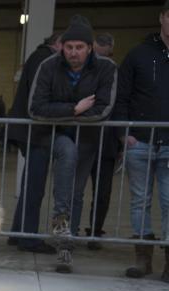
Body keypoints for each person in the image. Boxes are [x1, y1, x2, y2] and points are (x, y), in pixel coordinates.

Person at [29, 14, 117, 273]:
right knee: (67, 151)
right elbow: (35, 108)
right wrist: (75, 109)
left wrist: (66, 113)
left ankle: (66, 243)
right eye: (69, 47)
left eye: (80, 47)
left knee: (76, 191)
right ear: (62, 46)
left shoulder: (107, 68)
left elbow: (103, 109)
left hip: (87, 139)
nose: (74, 52)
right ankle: (62, 224)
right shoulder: (48, 66)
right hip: (52, 136)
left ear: (90, 48)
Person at [113, 1, 169, 282]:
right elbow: (121, 97)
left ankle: (168, 263)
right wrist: (125, 133)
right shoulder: (138, 55)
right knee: (140, 202)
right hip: (141, 144)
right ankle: (142, 259)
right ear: (161, 17)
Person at [6, 32, 62, 254]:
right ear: (57, 44)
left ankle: (18, 232)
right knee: (34, 187)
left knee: (31, 185)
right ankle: (28, 238)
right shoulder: (46, 60)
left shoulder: (37, 56)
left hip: (27, 130)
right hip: (36, 131)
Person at [84, 32, 119, 250]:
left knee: (100, 191)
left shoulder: (114, 73)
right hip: (92, 140)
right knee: (94, 191)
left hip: (102, 141)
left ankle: (93, 231)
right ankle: (91, 231)